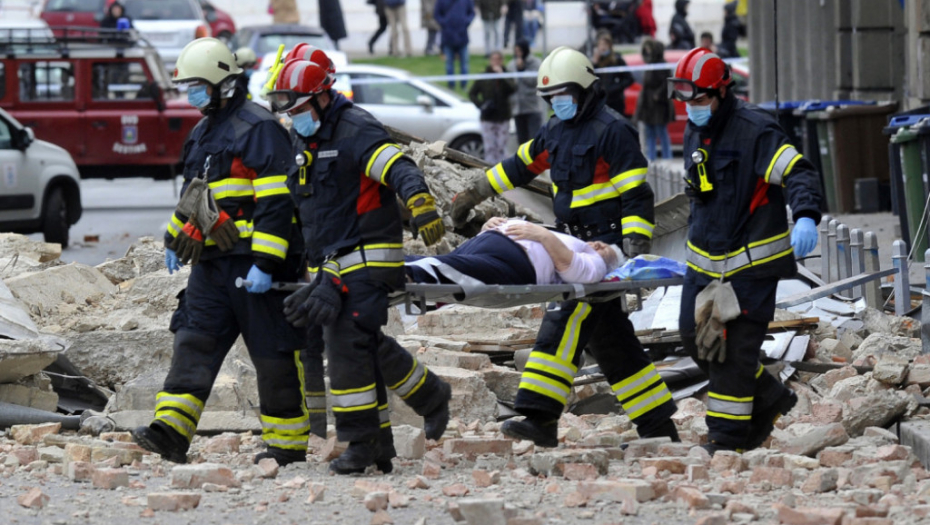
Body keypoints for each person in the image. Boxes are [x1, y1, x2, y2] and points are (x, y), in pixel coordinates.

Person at [449, 47, 680, 448]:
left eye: (564, 95)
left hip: (602, 250)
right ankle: (659, 427)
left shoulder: (613, 131)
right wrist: (474, 192)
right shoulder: (554, 130)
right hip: (571, 241)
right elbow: (518, 167)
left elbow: (636, 194)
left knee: (565, 318)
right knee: (612, 343)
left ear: (586, 90)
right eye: (551, 97)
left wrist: (634, 246)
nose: (557, 103)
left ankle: (540, 416)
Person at [132, 38, 311, 467]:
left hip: (257, 267)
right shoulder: (202, 133)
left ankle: (287, 446)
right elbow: (194, 197)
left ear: (221, 83)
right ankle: (170, 432)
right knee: (193, 340)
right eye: (188, 86)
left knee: (272, 355)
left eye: (198, 85)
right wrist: (174, 239)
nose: (191, 93)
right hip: (212, 265)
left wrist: (266, 264)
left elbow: (277, 203)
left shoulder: (259, 127)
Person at [268, 57, 453, 474]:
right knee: (362, 342)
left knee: (346, 342)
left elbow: (398, 167)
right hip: (333, 264)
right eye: (290, 112)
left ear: (322, 97)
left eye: (300, 109)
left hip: (369, 258)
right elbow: (305, 209)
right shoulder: (304, 140)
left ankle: (360, 442)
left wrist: (420, 202)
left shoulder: (355, 129)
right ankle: (412, 414)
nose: (295, 119)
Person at [668, 48, 823, 455]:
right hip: (705, 265)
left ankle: (727, 441)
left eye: (700, 99)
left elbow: (798, 172)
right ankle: (770, 398)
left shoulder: (755, 130)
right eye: (686, 100)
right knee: (696, 340)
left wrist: (806, 215)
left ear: (722, 92)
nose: (691, 108)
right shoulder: (696, 129)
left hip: (751, 267)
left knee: (733, 351)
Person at [406, 217, 620, 286]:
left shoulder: (597, 266)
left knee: (447, 269)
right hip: (491, 241)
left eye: (605, 250)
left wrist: (543, 235)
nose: (598, 245)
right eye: (600, 243)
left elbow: (575, 270)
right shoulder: (569, 241)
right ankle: (393, 266)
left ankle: (399, 272)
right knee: (440, 263)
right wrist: (491, 225)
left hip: (515, 263)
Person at [469, 51, 516, 164]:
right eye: (493, 59)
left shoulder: (507, 75)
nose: (496, 62)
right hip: (488, 117)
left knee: (501, 146)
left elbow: (513, 89)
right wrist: (481, 105)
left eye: (498, 59)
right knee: (490, 147)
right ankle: (490, 167)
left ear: (502, 60)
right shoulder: (484, 76)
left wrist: (502, 76)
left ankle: (503, 167)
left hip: (503, 117)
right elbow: (472, 93)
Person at [634, 38, 673, 160]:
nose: (648, 51)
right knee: (650, 133)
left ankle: (667, 158)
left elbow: (668, 83)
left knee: (661, 132)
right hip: (648, 105)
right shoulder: (649, 64)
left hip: (659, 105)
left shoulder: (663, 65)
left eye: (650, 49)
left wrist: (658, 94)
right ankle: (651, 159)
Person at [507, 38, 546, 144]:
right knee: (522, 140)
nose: (517, 53)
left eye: (519, 50)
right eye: (516, 51)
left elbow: (534, 81)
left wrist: (522, 70)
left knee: (534, 138)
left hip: (532, 107)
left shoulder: (535, 63)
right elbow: (510, 84)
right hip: (517, 108)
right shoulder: (511, 65)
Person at [590, 30, 634, 118]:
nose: (603, 47)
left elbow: (629, 79)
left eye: (605, 45)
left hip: (616, 100)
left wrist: (615, 88)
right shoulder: (596, 61)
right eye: (601, 45)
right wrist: (594, 64)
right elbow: (591, 79)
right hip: (601, 101)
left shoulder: (617, 60)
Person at [434, 0, 475, 89]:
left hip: (462, 35)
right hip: (448, 36)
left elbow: (472, 13)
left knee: (464, 63)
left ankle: (464, 84)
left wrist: (466, 22)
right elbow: (437, 14)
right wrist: (444, 23)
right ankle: (451, 84)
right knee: (449, 63)